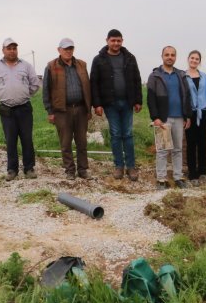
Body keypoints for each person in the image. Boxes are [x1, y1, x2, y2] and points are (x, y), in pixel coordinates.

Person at [90, 29, 143, 182]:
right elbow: (94, 83)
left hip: (127, 102)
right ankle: (118, 166)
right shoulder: (99, 59)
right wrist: (97, 104)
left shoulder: (129, 58)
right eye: (113, 40)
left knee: (127, 134)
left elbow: (137, 79)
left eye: (118, 40)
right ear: (107, 40)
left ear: (122, 41)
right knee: (115, 134)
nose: (116, 43)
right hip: (110, 103)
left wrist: (138, 100)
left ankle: (131, 166)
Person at [0, 38, 41, 181]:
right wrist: (1, 94)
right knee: (10, 140)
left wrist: (24, 93)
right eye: (9, 48)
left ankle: (29, 168)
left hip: (24, 108)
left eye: (14, 48)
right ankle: (12, 169)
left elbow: (35, 84)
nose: (12, 51)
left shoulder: (26, 66)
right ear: (3, 50)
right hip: (6, 110)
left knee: (27, 139)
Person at [42, 38, 92, 180]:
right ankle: (70, 170)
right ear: (59, 50)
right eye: (65, 49)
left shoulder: (82, 65)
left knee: (82, 142)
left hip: (81, 109)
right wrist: (49, 111)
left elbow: (88, 86)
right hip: (62, 111)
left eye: (71, 48)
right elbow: (46, 90)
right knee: (65, 142)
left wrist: (89, 109)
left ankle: (83, 170)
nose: (68, 51)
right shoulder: (51, 66)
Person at [147, 46, 192, 190]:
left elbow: (187, 96)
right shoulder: (155, 76)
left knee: (178, 149)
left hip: (179, 118)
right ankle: (161, 179)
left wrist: (187, 116)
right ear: (162, 56)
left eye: (172, 55)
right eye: (167, 55)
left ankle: (178, 176)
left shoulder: (181, 75)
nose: (170, 57)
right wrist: (155, 117)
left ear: (176, 57)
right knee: (162, 150)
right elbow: (150, 98)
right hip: (163, 119)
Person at [184, 50, 206, 185]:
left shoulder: (204, 76)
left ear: (200, 61)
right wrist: (185, 115)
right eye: (192, 58)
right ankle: (192, 173)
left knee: (202, 143)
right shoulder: (183, 76)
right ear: (188, 59)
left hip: (204, 113)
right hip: (190, 113)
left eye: (197, 59)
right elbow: (182, 96)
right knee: (191, 144)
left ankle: (202, 171)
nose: (194, 60)